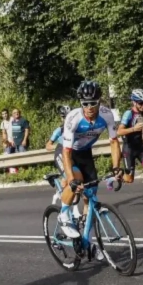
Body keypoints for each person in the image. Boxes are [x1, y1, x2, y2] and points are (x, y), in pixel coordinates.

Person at [58, 80, 122, 258]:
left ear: (99, 101)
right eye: (85, 104)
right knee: (75, 180)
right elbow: (66, 151)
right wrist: (71, 178)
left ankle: (87, 240)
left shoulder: (106, 115)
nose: (89, 107)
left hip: (85, 153)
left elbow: (114, 142)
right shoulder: (74, 118)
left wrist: (116, 167)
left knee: (91, 196)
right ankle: (63, 214)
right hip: (67, 152)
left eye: (93, 103)